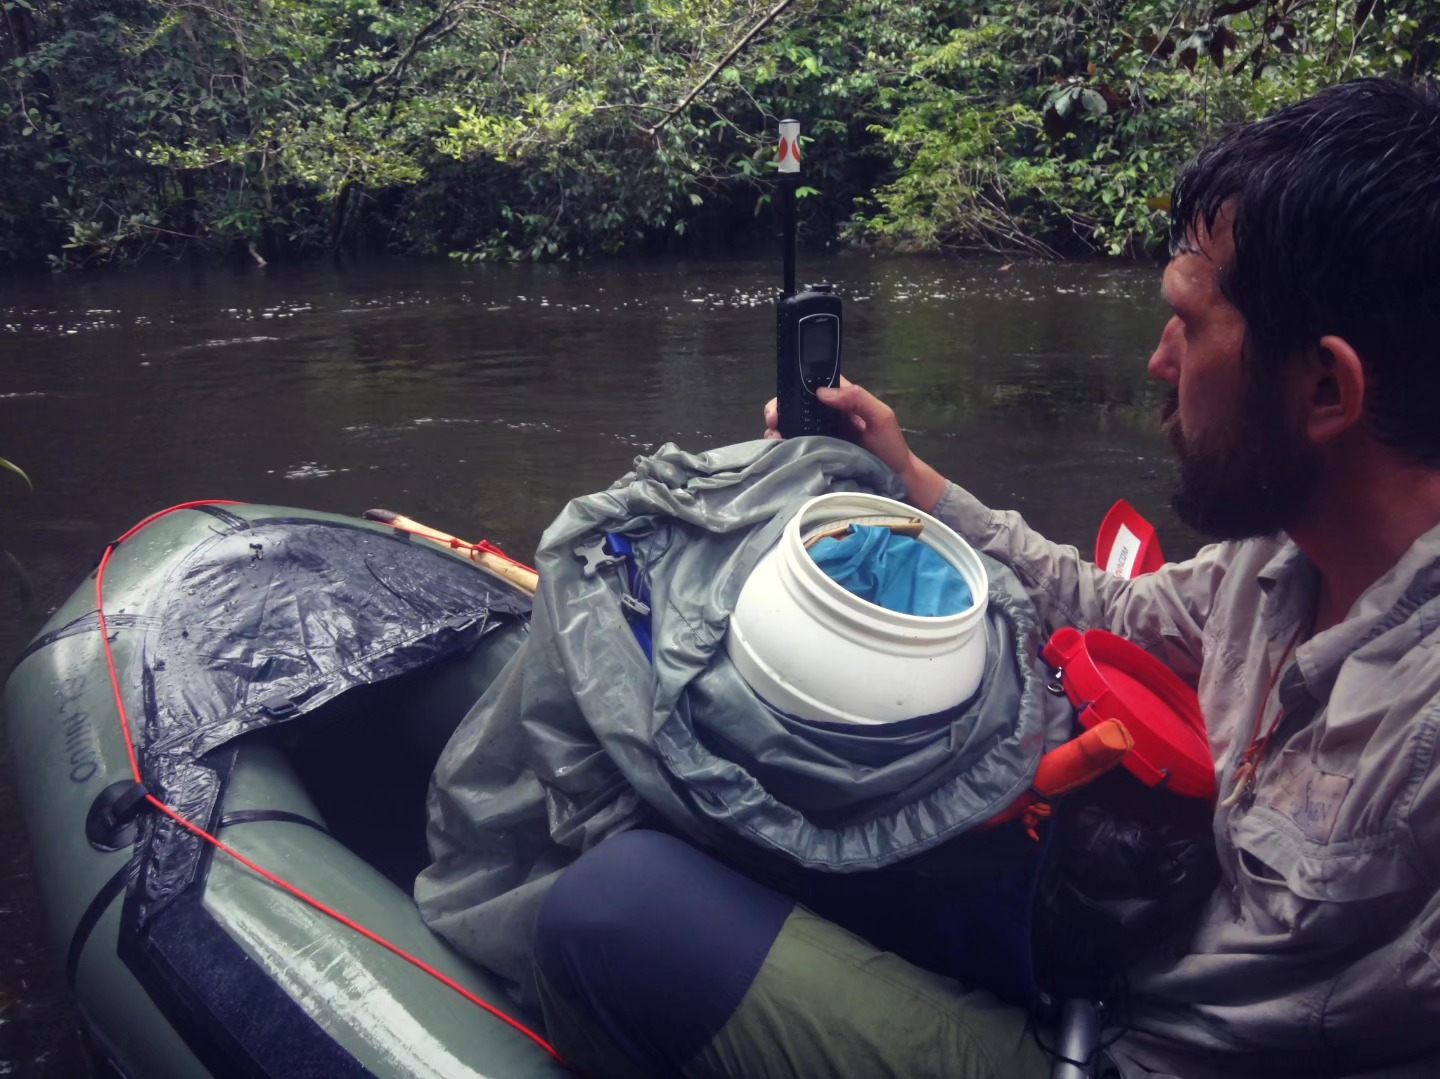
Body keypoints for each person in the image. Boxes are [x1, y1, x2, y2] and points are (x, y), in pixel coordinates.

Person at [530, 77, 1440, 1077]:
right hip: (1077, 942)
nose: (1157, 361)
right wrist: (909, 479)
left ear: (1325, 388)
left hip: (1134, 1050)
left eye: (1190, 323)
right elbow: (1116, 610)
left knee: (612, 910)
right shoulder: (1282, 550)